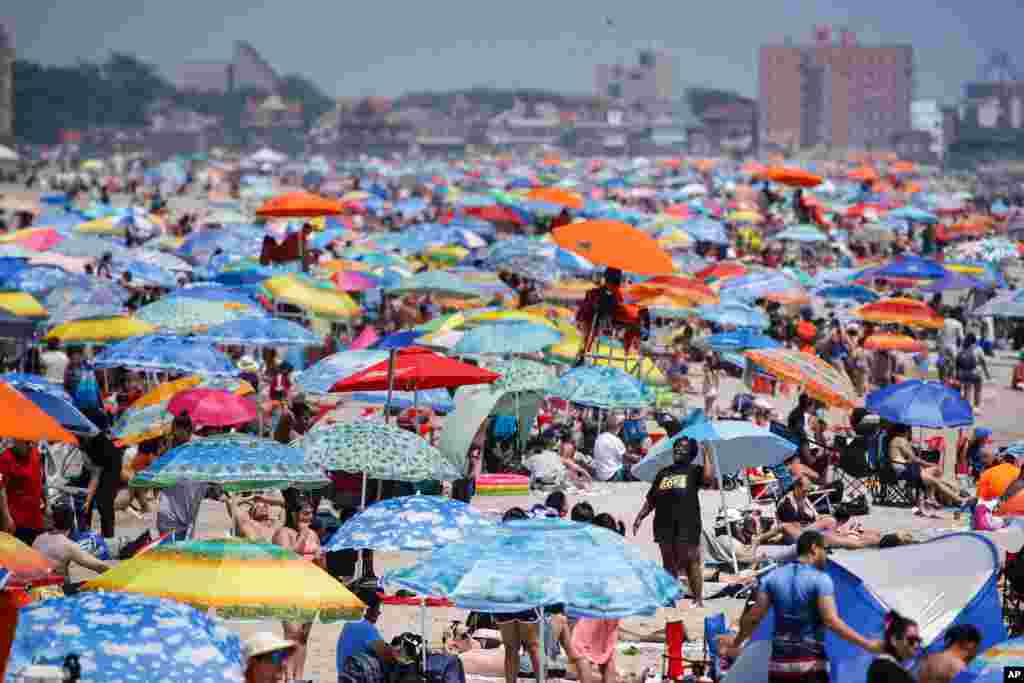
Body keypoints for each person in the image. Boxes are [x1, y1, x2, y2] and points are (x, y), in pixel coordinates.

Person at [727, 531, 883, 682]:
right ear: (814, 548)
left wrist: (737, 642)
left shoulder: (773, 577)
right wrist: (866, 644)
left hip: (779, 667)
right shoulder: (821, 580)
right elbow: (831, 621)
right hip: (810, 667)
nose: (825, 556)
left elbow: (754, 618)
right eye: (824, 550)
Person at [632, 437, 714, 606]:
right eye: (676, 447)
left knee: (691, 561)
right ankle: (670, 599)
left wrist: (706, 453)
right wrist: (640, 516)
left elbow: (708, 479)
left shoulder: (694, 470)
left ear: (691, 453)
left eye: (683, 448)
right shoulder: (663, 473)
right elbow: (652, 499)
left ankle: (697, 600)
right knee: (668, 563)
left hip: (687, 523)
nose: (678, 450)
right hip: (663, 523)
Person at [273, 495, 321, 681]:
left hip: (311, 588)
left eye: (311, 514)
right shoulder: (283, 533)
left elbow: (320, 566)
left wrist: (321, 559)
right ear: (294, 514)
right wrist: (302, 534)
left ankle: (298, 677)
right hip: (288, 588)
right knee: (291, 633)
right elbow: (288, 559)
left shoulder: (314, 534)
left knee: (303, 636)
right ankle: (287, 677)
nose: (308, 518)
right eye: (304, 514)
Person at [156, 414, 207, 541]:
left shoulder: (200, 444)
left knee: (187, 533)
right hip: (171, 492)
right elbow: (159, 465)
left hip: (191, 492)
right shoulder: (169, 443)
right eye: (176, 432)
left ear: (189, 430)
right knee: (167, 525)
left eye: (182, 433)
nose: (179, 436)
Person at [32, 504, 111, 583]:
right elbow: (99, 566)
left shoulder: (38, 539)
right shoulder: (67, 545)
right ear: (71, 523)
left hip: (36, 587)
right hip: (56, 590)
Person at [336, 590, 400, 673]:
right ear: (368, 610)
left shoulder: (349, 625)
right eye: (377, 608)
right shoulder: (365, 627)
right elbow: (388, 657)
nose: (379, 613)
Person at [0, 440, 45, 546]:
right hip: (15, 519)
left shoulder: (35, 454)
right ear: (16, 441)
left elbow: (41, 481)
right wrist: (6, 517)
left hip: (35, 518)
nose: (30, 446)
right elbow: (1, 490)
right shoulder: (5, 459)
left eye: (32, 442)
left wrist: (47, 507)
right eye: (27, 442)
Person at [866, 612, 920, 683]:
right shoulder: (885, 669)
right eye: (911, 640)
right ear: (894, 640)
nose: (916, 645)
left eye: (918, 640)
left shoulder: (882, 667)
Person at [916, 623, 981, 683]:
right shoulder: (958, 667)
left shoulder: (930, 658)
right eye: (976, 647)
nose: (975, 651)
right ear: (970, 644)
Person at [956, 334, 991, 410]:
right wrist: (987, 374)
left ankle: (965, 407)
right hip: (975, 373)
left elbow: (957, 361)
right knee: (977, 389)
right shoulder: (978, 349)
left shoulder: (962, 348)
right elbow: (983, 363)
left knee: (967, 389)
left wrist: (958, 373)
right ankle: (976, 406)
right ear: (975, 341)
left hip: (964, 373)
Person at [591, 414, 630, 482]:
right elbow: (627, 458)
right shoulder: (616, 440)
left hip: (601, 474)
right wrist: (638, 459)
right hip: (612, 475)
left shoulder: (600, 437)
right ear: (619, 426)